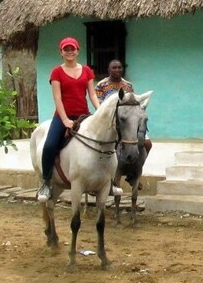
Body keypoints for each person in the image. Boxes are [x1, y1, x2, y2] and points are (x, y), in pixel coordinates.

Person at [38, 37, 120, 202]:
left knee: (108, 140)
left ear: (77, 51)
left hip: (83, 114)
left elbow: (92, 94)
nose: (69, 52)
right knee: (50, 145)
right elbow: (57, 99)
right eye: (66, 49)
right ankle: (46, 183)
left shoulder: (87, 71)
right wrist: (65, 120)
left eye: (72, 49)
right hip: (62, 116)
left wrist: (100, 111)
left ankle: (108, 181)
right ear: (61, 52)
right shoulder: (56, 72)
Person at [95, 59, 153, 155]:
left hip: (127, 121)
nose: (117, 70)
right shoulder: (101, 85)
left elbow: (133, 103)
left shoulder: (128, 85)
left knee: (147, 143)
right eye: (114, 68)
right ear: (109, 70)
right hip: (108, 121)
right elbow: (99, 104)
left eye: (119, 67)